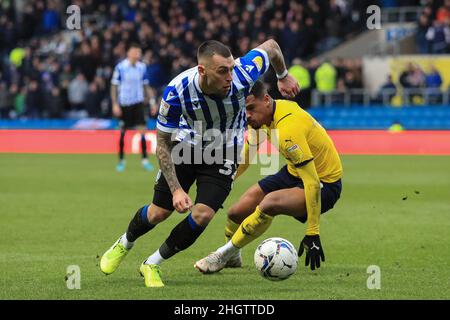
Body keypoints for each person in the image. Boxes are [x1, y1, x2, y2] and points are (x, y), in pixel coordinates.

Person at [100, 39, 300, 287]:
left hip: (224, 152)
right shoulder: (177, 91)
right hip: (186, 148)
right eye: (223, 71)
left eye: (230, 67)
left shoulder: (243, 72)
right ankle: (125, 243)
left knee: (203, 215)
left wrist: (283, 75)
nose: (230, 76)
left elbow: (271, 47)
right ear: (203, 71)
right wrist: (176, 190)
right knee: (159, 212)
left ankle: (152, 263)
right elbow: (162, 142)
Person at [194, 80, 343, 273]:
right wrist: (223, 184)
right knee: (236, 212)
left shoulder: (288, 128)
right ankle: (233, 258)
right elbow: (247, 156)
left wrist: (312, 233)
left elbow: (312, 181)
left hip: (325, 183)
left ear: (266, 100)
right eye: (244, 110)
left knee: (269, 203)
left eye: (251, 108)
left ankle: (222, 255)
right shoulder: (261, 118)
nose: (247, 115)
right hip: (293, 171)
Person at [111, 43, 155, 172]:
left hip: (138, 103)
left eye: (139, 53)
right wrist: (115, 104)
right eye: (136, 52)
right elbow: (113, 86)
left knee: (142, 130)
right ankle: (121, 160)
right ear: (129, 53)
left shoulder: (142, 67)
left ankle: (145, 160)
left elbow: (146, 86)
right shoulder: (120, 67)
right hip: (124, 104)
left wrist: (152, 101)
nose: (138, 55)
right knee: (123, 132)